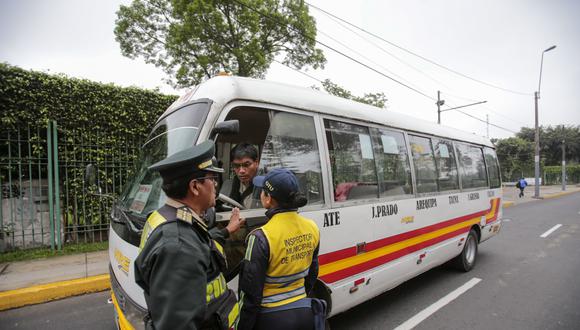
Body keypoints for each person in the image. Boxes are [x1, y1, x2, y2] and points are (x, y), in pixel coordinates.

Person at [134, 140, 245, 329]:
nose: (216, 185)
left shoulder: (166, 216)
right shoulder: (178, 247)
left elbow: (202, 243)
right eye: (212, 179)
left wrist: (227, 230)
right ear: (195, 187)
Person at [237, 168, 326, 330]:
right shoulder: (312, 227)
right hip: (304, 312)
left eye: (263, 191)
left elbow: (251, 295)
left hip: (271, 318)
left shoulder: (260, 237)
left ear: (268, 199)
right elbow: (312, 273)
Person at [228, 143, 260, 209]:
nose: (241, 171)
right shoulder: (234, 183)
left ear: (256, 163)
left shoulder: (264, 185)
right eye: (236, 166)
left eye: (246, 165)